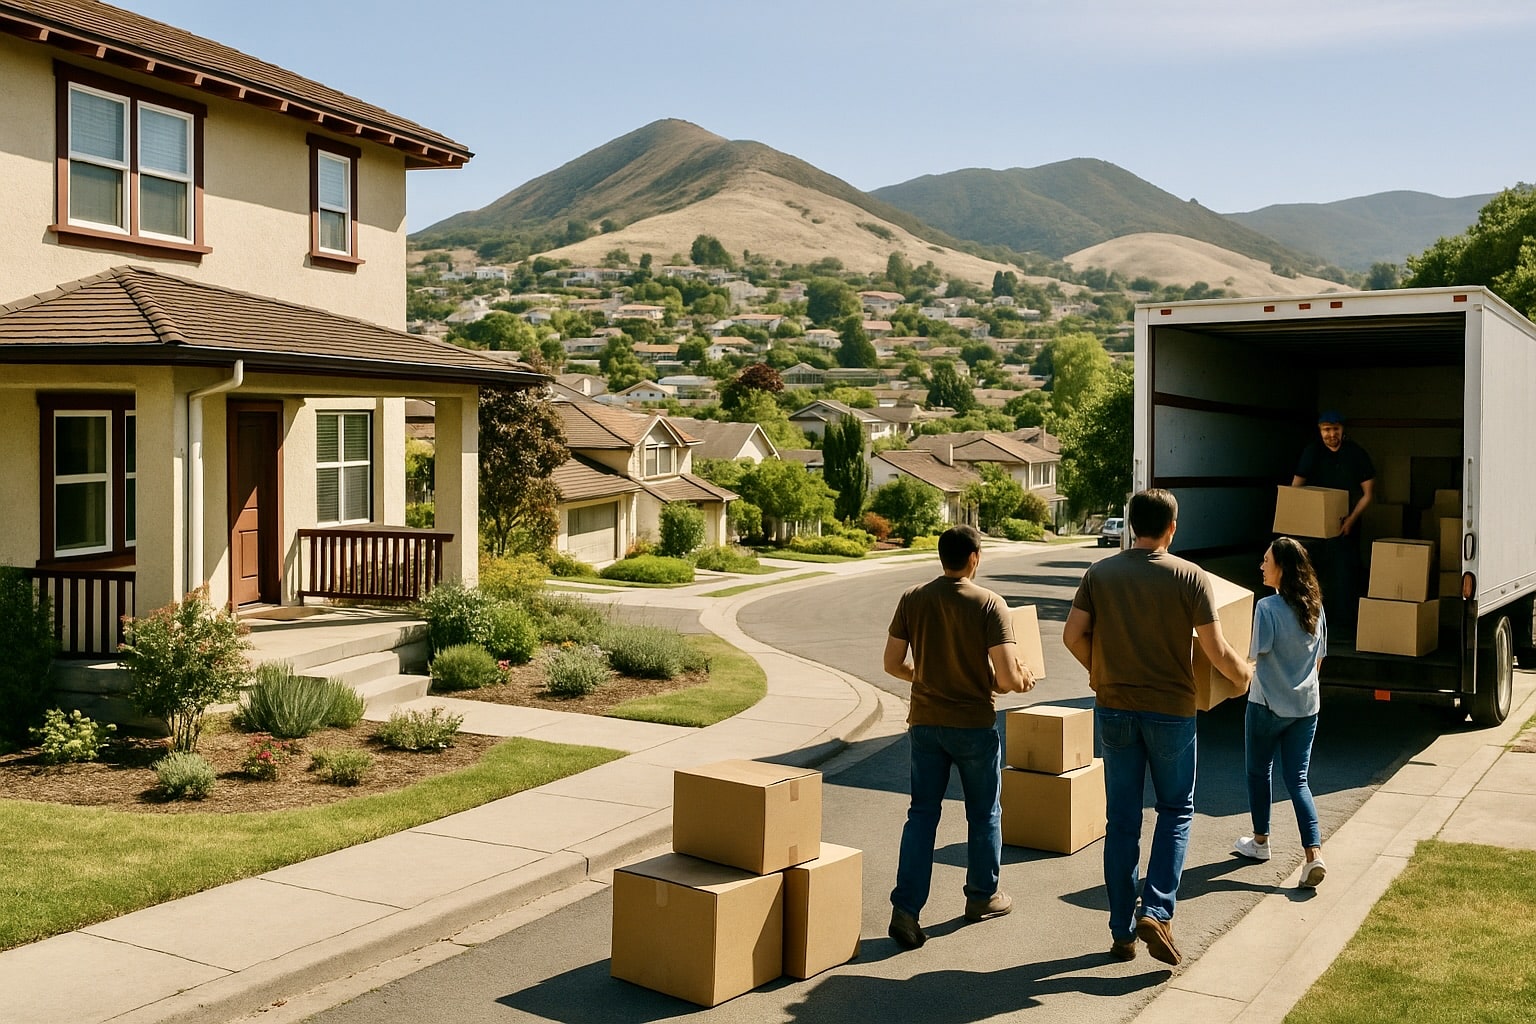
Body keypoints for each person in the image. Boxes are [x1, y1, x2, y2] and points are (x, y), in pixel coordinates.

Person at [1062, 490, 1252, 966]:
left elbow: (1071, 635)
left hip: (1114, 707)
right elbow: (1216, 649)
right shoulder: (1189, 576)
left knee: (1122, 821)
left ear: (1129, 526)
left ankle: (1122, 929)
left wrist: (1097, 669)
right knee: (1175, 810)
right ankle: (1159, 909)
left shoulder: (1099, 573)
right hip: (1171, 711)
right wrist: (1243, 675)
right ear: (1172, 527)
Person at [883, 525, 1034, 950]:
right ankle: (982, 897)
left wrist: (924, 675)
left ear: (941, 557)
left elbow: (893, 662)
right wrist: (1020, 682)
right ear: (974, 558)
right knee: (983, 813)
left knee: (922, 814)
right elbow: (1004, 678)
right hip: (972, 725)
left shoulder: (913, 598)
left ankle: (906, 909)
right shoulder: (989, 603)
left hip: (926, 723)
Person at [1233, 537, 1329, 887]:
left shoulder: (1267, 608)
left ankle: (1260, 842)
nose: (1261, 566)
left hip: (1266, 706)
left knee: (1259, 772)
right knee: (1298, 780)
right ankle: (1313, 855)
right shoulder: (1316, 607)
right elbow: (1318, 661)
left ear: (1282, 569)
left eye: (1266, 560)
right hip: (1306, 709)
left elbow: (1254, 655)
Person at [1292, 410, 1375, 638]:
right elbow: (1295, 490)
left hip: (1346, 526)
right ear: (1320, 431)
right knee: (1313, 574)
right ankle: (1312, 623)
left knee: (1346, 573)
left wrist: (1351, 520)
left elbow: (1368, 493)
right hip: (1315, 530)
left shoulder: (1355, 454)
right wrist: (1299, 519)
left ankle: (1345, 627)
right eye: (1326, 430)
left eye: (1335, 429)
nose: (1331, 434)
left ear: (1342, 430)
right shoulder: (1312, 453)